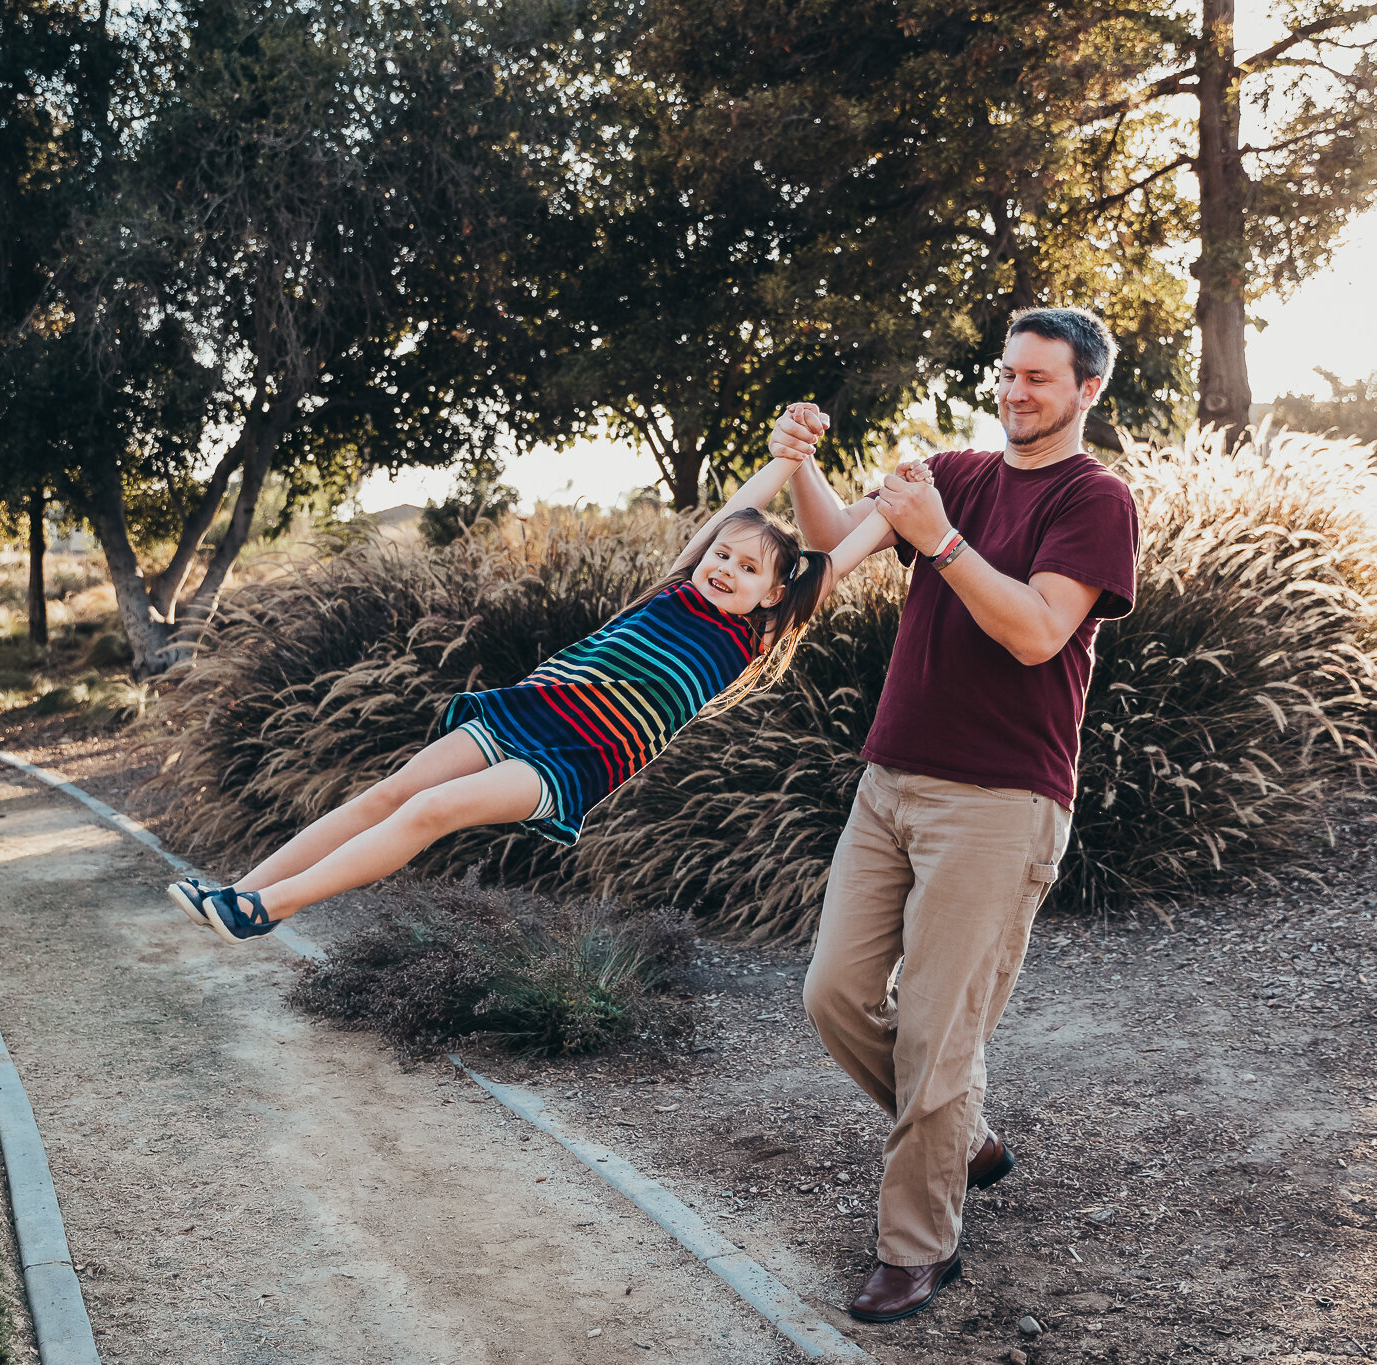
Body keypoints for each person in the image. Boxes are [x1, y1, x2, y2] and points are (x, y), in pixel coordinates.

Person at [166, 426, 904, 942]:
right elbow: (726, 516)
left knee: (431, 811)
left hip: (573, 761)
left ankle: (268, 905)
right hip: (529, 707)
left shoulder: (755, 634)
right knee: (388, 794)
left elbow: (843, 553)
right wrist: (784, 455)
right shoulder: (677, 586)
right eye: (726, 555)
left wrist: (896, 506)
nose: (728, 570)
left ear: (774, 595)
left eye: (749, 570)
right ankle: (240, 892)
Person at [775, 306, 1140, 1322]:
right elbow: (831, 542)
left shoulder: (1093, 498)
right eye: (1006, 373)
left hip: (999, 802)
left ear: (1085, 392)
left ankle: (915, 1249)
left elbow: (1033, 633)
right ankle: (960, 1131)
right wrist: (801, 465)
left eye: (1038, 378)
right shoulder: (954, 470)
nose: (1015, 392)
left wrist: (938, 541)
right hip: (888, 782)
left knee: (936, 1034)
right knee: (833, 993)